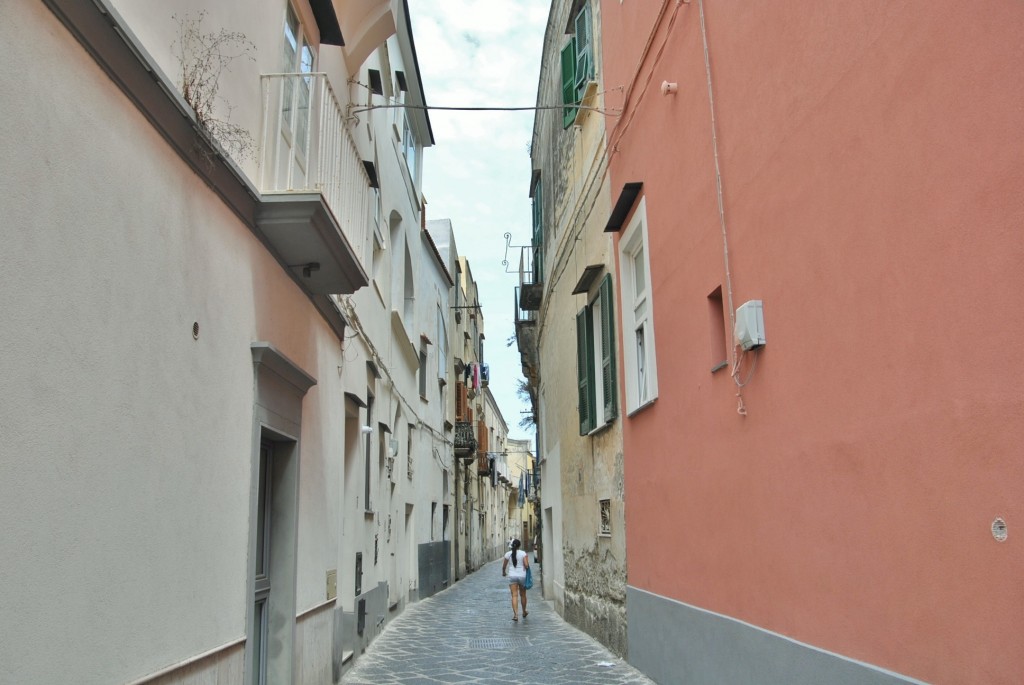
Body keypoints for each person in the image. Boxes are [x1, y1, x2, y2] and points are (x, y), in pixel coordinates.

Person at [501, 538, 530, 621]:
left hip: (512, 576)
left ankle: (516, 615)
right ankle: (524, 611)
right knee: (523, 595)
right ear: (519, 546)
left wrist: (503, 572)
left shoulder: (508, 554)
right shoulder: (523, 553)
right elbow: (527, 565)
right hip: (522, 576)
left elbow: (504, 566)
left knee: (514, 595)